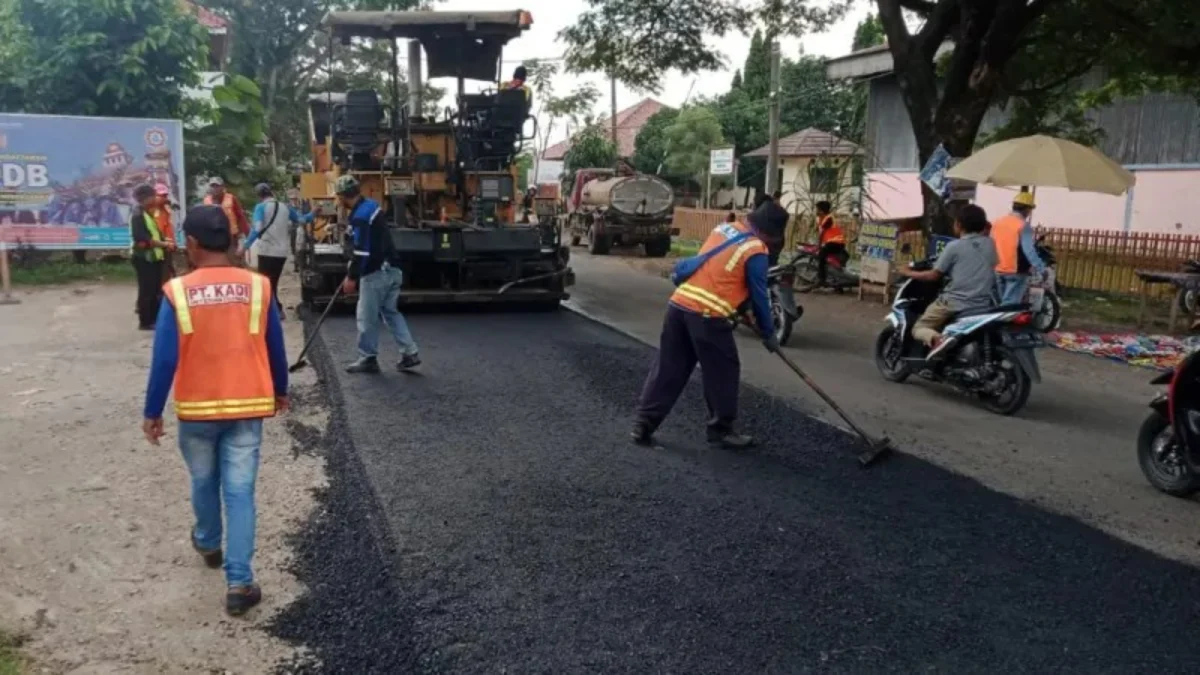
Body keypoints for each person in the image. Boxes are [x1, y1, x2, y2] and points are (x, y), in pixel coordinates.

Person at [141, 204, 289, 617]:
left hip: (197, 411)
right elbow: (275, 346)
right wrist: (280, 389)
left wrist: (152, 411)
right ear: (232, 240)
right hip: (247, 407)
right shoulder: (259, 287)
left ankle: (208, 541)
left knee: (204, 479)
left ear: (190, 243)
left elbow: (165, 359)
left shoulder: (178, 292)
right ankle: (239, 583)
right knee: (240, 492)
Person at [632, 210, 778, 450]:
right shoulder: (756, 250)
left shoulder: (723, 229)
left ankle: (643, 424)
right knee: (723, 371)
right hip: (707, 316)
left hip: (678, 307)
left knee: (669, 368)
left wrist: (740, 306)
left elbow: (719, 272)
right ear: (768, 233)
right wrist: (768, 332)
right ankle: (721, 431)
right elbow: (760, 296)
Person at [334, 175, 421, 374]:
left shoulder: (360, 217)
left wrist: (352, 276)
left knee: (366, 316)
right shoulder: (372, 206)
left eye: (338, 197)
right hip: (393, 269)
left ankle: (368, 358)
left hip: (375, 274)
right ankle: (410, 352)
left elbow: (362, 251)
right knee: (391, 312)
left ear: (343, 196)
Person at [901, 204, 999, 352]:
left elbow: (934, 275)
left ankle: (939, 340)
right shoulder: (990, 244)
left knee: (919, 328)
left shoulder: (954, 247)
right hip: (983, 303)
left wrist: (908, 273)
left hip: (954, 303)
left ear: (958, 225)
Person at [243, 183, 313, 320]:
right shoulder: (285, 207)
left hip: (267, 251)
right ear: (271, 193)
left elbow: (257, 229)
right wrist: (314, 213)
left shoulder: (260, 207)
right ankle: (276, 310)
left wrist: (245, 246)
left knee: (266, 283)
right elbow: (301, 219)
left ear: (259, 196)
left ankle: (275, 311)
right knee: (272, 282)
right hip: (282, 253)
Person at [990, 191, 1045, 305]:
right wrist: (1041, 268)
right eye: (1030, 209)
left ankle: (1000, 322)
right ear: (1026, 209)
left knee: (1001, 304)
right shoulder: (1023, 225)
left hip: (997, 268)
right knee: (1009, 307)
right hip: (1016, 271)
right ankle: (1005, 323)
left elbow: (991, 244)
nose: (1030, 213)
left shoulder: (997, 222)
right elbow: (1029, 251)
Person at [129, 183, 171, 330]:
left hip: (153, 258)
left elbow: (153, 234)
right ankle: (146, 321)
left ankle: (153, 318)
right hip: (144, 258)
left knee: (154, 290)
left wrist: (165, 242)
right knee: (147, 290)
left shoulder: (146, 213)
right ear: (145, 198)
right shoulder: (138, 215)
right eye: (153, 196)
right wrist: (164, 245)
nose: (155, 199)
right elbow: (142, 239)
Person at [203, 177, 250, 253]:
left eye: (217, 186)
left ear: (222, 187)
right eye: (212, 186)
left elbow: (240, 217)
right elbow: (204, 219)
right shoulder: (206, 200)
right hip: (213, 237)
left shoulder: (231, 198)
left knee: (232, 258)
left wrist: (247, 234)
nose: (215, 188)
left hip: (231, 237)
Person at [752, 189, 790, 266]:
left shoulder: (756, 215)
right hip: (777, 245)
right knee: (772, 265)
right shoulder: (780, 213)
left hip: (763, 246)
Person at [814, 201, 847, 285]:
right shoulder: (823, 217)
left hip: (836, 243)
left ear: (821, 211)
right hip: (833, 242)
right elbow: (817, 230)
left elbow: (822, 233)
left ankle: (821, 279)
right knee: (827, 257)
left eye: (817, 209)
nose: (816, 211)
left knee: (821, 256)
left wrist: (818, 246)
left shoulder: (828, 218)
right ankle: (833, 278)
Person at [153, 183, 178, 281]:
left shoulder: (166, 210)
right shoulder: (152, 211)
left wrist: (173, 243)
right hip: (160, 247)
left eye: (165, 195)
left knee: (168, 275)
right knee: (162, 276)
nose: (164, 198)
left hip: (168, 248)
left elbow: (169, 229)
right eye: (161, 196)